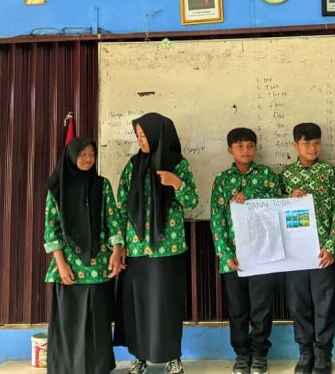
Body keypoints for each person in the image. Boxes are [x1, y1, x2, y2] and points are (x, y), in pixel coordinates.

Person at [113, 112, 199, 374]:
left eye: (144, 136)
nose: (140, 140)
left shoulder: (178, 164)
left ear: (158, 135)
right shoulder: (133, 165)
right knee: (138, 305)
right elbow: (121, 206)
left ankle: (172, 357)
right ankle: (140, 356)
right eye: (138, 136)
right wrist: (120, 245)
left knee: (167, 304)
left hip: (168, 247)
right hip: (137, 247)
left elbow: (192, 202)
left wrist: (177, 183)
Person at [43, 137, 125, 374]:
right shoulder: (57, 188)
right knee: (70, 321)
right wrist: (60, 263)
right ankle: (69, 368)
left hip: (98, 266)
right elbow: (51, 228)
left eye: (92, 154)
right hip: (69, 266)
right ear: (71, 156)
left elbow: (113, 220)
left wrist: (117, 251)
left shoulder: (102, 185)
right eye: (83, 155)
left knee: (98, 321)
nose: (88, 159)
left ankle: (98, 367)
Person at [210, 127, 282, 374]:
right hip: (234, 258)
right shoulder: (222, 180)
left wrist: (249, 194)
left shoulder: (267, 175)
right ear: (229, 150)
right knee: (238, 309)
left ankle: (259, 353)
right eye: (239, 146)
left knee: (261, 308)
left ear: (256, 148)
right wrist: (225, 253)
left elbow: (278, 204)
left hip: (263, 254)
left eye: (250, 145)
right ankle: (241, 354)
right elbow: (217, 218)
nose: (245, 150)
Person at [280, 123, 335, 374]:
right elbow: (274, 212)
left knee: (324, 303)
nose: (312, 147)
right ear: (295, 145)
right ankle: (305, 352)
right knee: (299, 303)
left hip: (322, 253)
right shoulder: (286, 176)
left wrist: (331, 246)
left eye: (316, 142)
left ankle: (323, 354)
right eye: (306, 143)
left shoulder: (329, 173)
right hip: (294, 254)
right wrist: (289, 199)